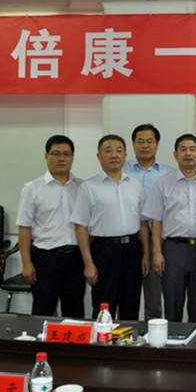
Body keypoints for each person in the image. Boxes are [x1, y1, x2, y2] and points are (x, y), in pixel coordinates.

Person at [70, 135, 149, 320]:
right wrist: (88, 263)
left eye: (119, 151)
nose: (114, 155)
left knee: (131, 306)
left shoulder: (135, 185)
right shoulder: (88, 187)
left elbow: (143, 224)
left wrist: (145, 254)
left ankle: (129, 339)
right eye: (108, 150)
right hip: (104, 252)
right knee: (104, 306)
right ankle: (103, 338)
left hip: (132, 250)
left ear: (125, 155)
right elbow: (80, 227)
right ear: (99, 156)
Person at [142, 134, 196, 323]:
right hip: (173, 249)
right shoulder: (163, 183)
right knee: (172, 303)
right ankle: (172, 339)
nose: (188, 153)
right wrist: (157, 252)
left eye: (192, 149)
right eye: (183, 149)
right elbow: (156, 221)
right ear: (175, 154)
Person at [16, 135, 85, 318]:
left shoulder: (82, 187)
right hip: (46, 259)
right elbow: (24, 228)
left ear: (72, 157)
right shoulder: (32, 188)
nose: (61, 158)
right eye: (56, 153)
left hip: (75, 258)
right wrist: (26, 262)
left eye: (66, 154)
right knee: (43, 311)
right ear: (46, 156)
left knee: (75, 312)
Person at [123, 123, 175, 321]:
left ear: (157, 144)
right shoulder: (122, 170)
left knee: (153, 295)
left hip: (156, 237)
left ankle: (152, 332)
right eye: (140, 141)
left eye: (149, 141)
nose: (145, 145)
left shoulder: (168, 173)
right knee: (126, 294)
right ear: (133, 144)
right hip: (127, 238)